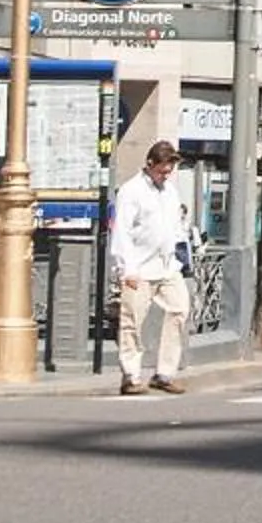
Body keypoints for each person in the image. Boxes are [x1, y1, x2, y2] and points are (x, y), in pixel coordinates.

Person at [108, 143, 195, 396]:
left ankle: (164, 373)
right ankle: (131, 376)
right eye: (162, 171)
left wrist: (180, 256)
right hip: (139, 268)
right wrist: (127, 269)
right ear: (150, 165)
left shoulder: (169, 191)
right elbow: (122, 231)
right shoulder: (131, 191)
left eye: (169, 171)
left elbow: (176, 225)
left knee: (180, 309)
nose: (165, 176)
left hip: (167, 266)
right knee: (132, 321)